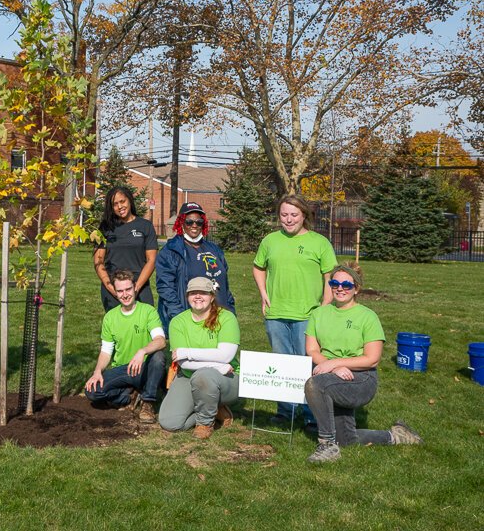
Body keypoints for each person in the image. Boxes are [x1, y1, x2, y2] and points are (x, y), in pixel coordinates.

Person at [304, 264, 422, 463]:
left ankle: (327, 445)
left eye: (346, 285)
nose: (340, 288)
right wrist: (334, 366)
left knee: (315, 384)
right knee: (346, 439)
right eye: (335, 283)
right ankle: (397, 435)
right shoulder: (318, 314)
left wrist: (336, 364)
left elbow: (372, 358)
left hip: (361, 378)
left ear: (356, 288)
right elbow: (312, 350)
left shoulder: (368, 316)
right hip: (332, 374)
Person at [253, 194, 337, 427]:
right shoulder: (270, 241)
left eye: (294, 215)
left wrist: (325, 306)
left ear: (304, 216)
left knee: (308, 364)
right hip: (276, 314)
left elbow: (329, 276)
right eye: (284, 215)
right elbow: (258, 267)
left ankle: (311, 413)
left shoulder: (319, 242)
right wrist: (263, 292)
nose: (289, 220)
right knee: (282, 365)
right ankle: (285, 411)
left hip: (308, 315)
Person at [158, 277, 240, 439]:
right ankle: (213, 409)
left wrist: (188, 352)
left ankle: (205, 423)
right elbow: (184, 364)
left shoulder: (227, 318)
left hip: (227, 377)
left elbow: (226, 355)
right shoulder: (177, 322)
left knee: (204, 375)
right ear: (187, 296)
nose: (197, 296)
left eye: (203, 292)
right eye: (193, 293)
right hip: (190, 375)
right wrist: (218, 366)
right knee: (169, 422)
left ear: (212, 296)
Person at [84, 270, 167, 423]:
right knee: (92, 391)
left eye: (128, 289)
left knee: (158, 357)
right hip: (123, 370)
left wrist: (142, 351)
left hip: (144, 368)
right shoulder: (110, 317)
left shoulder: (148, 311)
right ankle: (129, 396)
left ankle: (147, 402)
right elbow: (106, 352)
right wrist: (97, 371)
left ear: (135, 288)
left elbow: (161, 341)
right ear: (115, 293)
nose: (125, 294)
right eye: (120, 291)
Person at [156, 202, 234, 333]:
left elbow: (224, 283)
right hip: (191, 320)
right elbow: (166, 288)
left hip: (219, 317)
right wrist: (181, 319)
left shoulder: (214, 249)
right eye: (189, 222)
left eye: (199, 222)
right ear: (181, 223)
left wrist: (230, 310)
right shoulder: (170, 251)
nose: (194, 225)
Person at [93, 186, 158, 311]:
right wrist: (110, 287)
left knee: (146, 321)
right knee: (117, 323)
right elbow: (98, 261)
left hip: (140, 285)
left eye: (122, 201)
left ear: (129, 200)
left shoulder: (145, 226)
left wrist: (136, 287)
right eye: (115, 204)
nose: (119, 206)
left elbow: (152, 260)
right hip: (113, 287)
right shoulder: (105, 228)